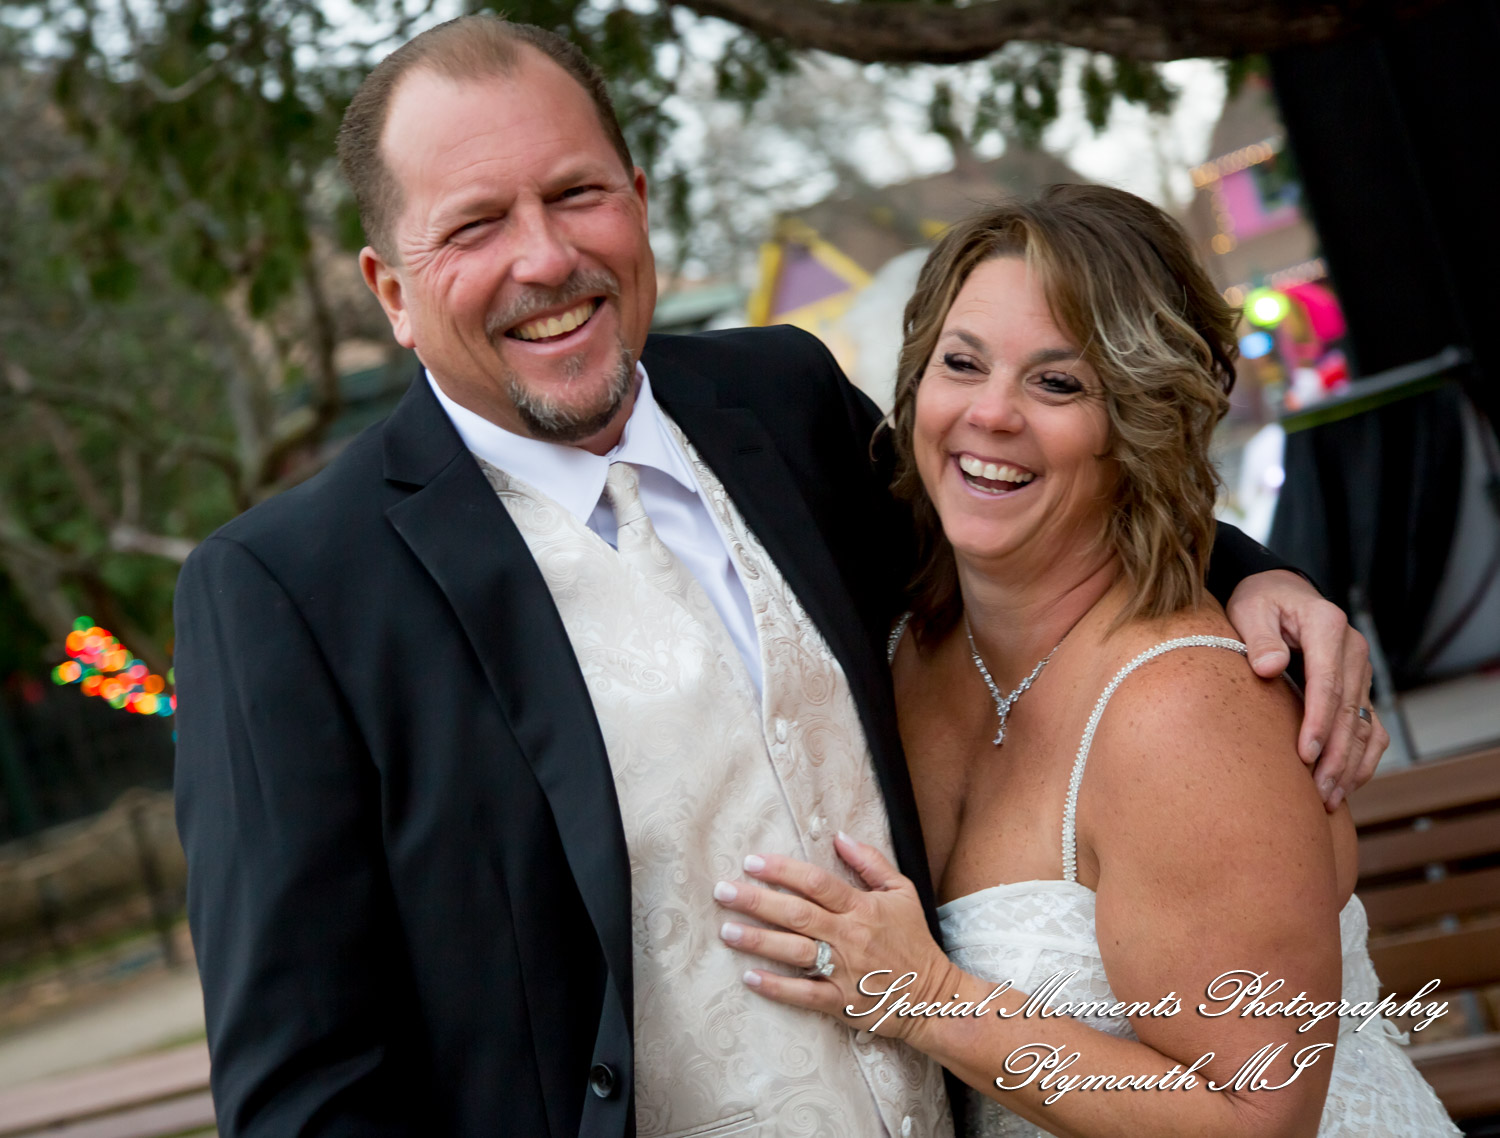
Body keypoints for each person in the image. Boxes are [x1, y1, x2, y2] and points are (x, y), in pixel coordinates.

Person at [173, 16, 1386, 1138]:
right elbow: (304, 1090)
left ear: (639, 203)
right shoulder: (288, 593)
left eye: (577, 194)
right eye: (477, 225)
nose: (545, 257)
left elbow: (1017, 509)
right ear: (391, 287)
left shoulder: (777, 398)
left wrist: (1261, 577)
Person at [712, 186, 1457, 1136]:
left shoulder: (1186, 707)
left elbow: (1257, 1119)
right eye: (962, 363)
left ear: (1140, 424)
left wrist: (928, 995)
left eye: (1056, 384)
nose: (990, 413)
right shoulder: (894, 646)